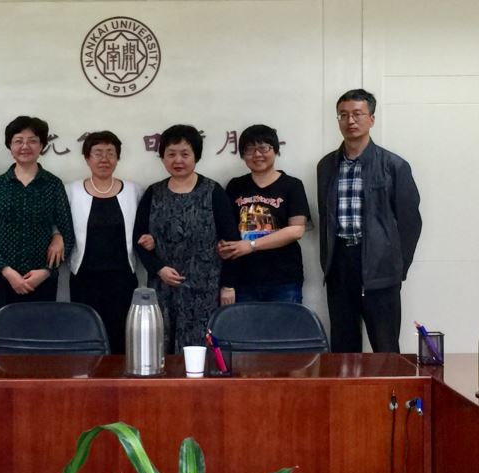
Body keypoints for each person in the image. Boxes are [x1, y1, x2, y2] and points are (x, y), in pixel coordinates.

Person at [317, 88, 422, 353]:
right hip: (340, 265)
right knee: (343, 349)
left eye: (357, 114)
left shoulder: (394, 165)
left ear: (371, 119)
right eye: (343, 115)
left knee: (385, 348)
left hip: (380, 268)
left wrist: (397, 267)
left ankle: (389, 385)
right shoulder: (326, 166)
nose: (350, 121)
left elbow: (410, 222)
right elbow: (325, 218)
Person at [133, 124, 240, 353]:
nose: (178, 160)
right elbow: (138, 241)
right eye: (171, 154)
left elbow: (231, 243)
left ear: (196, 156)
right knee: (160, 348)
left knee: (199, 352)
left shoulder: (213, 192)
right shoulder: (153, 192)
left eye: (185, 154)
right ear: (162, 157)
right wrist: (159, 268)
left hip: (205, 289)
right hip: (162, 287)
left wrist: (228, 285)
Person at [0, 115, 75, 311]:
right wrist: (7, 271)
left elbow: (68, 234)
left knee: (41, 330)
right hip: (3, 280)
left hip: (43, 281)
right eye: (18, 141)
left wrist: (47, 271)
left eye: (32, 141)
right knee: (5, 329)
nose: (25, 146)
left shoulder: (53, 184)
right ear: (9, 146)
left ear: (42, 146)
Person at [65, 131, 143, 353]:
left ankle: (119, 376)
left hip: (122, 278)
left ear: (118, 158)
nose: (104, 159)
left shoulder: (134, 190)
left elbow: (145, 226)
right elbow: (59, 225)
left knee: (121, 337)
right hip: (84, 277)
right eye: (97, 153)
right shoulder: (71, 191)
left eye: (110, 153)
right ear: (87, 158)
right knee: (86, 336)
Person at [218, 124, 310, 303]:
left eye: (263, 148)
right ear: (242, 155)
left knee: (284, 323)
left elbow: (296, 230)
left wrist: (251, 245)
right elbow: (228, 229)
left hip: (283, 279)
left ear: (275, 150)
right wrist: (223, 245)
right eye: (249, 149)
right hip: (244, 279)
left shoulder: (292, 185)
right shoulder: (235, 186)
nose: (257, 154)